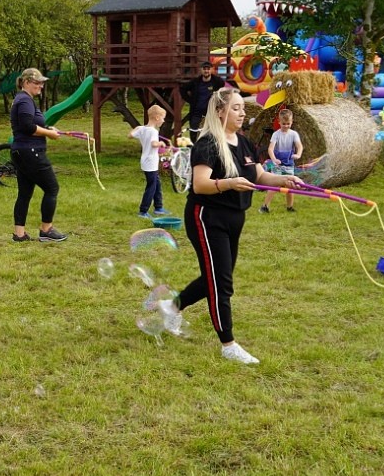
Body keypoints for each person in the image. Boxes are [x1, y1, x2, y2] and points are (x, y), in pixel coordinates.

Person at [161, 87, 303, 365]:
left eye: (242, 108)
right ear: (219, 112)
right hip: (207, 217)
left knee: (216, 277)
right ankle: (228, 344)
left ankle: (172, 306)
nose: (242, 112)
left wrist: (284, 181)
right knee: (221, 283)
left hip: (235, 217)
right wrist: (227, 183)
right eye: (236, 108)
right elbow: (200, 184)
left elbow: (260, 175)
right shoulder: (208, 144)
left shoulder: (245, 142)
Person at [10, 67, 66, 243]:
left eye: (42, 83)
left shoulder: (23, 100)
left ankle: (19, 234)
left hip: (21, 151)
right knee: (52, 188)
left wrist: (49, 129)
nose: (41, 86)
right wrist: (48, 134)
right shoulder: (25, 100)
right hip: (30, 152)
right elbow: (27, 127)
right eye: (37, 83)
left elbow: (27, 125)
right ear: (26, 82)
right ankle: (46, 230)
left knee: (25, 193)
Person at [130, 104, 171, 219]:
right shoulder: (153, 131)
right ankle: (143, 211)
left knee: (157, 183)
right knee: (152, 186)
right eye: (163, 118)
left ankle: (158, 207)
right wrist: (161, 144)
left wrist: (137, 128)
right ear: (157, 117)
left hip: (146, 161)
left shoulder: (143, 129)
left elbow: (130, 135)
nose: (163, 120)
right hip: (150, 162)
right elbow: (154, 144)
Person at [261, 107, 303, 213]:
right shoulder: (276, 134)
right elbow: (270, 149)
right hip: (278, 164)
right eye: (283, 123)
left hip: (289, 163)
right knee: (275, 185)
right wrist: (274, 159)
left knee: (290, 186)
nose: (286, 126)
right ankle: (265, 206)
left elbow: (300, 146)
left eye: (288, 123)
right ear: (279, 122)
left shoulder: (294, 134)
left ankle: (290, 207)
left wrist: (298, 154)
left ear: (291, 122)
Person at [180, 61, 227, 142]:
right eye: (204, 69)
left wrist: (220, 101)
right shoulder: (195, 82)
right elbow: (182, 89)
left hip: (211, 111)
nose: (206, 71)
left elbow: (225, 89)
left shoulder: (217, 81)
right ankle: (194, 147)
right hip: (196, 111)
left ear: (211, 70)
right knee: (193, 130)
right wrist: (190, 100)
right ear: (201, 70)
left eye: (208, 69)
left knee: (212, 131)